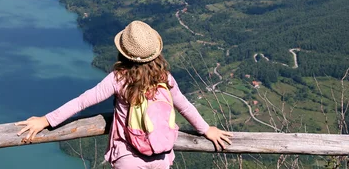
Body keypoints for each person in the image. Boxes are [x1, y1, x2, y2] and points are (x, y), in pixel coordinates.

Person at [16, 20, 232, 168]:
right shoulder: (165, 77)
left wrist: (45, 120)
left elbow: (82, 102)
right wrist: (206, 130)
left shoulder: (119, 79)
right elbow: (183, 105)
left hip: (128, 156)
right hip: (161, 157)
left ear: (123, 52)